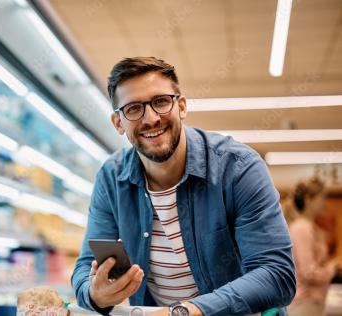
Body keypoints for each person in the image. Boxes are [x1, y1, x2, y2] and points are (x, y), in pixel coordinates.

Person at [71, 57, 296, 316]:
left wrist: (184, 311)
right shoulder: (111, 179)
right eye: (133, 108)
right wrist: (94, 294)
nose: (151, 118)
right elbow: (85, 267)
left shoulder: (238, 168)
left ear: (182, 106)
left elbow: (277, 275)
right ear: (119, 123)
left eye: (161, 101)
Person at [285, 178, 337, 316]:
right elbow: (309, 272)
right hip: (304, 302)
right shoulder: (302, 228)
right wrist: (332, 268)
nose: (325, 203)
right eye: (322, 198)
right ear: (309, 199)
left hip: (311, 302)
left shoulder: (310, 227)